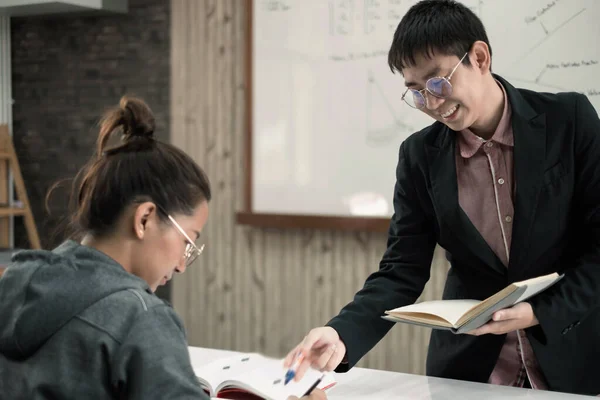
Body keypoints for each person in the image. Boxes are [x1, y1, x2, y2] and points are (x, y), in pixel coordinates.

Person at [284, 0, 600, 396]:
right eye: (416, 92)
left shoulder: (569, 121)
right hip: (470, 372)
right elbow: (401, 270)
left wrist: (538, 311)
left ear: (479, 58)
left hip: (572, 361)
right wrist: (340, 333)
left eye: (437, 82)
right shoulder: (419, 156)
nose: (432, 104)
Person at [0, 96, 327, 400]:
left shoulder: (15, 280)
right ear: (144, 219)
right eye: (188, 241)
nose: (183, 265)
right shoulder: (140, 319)